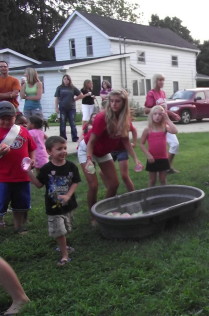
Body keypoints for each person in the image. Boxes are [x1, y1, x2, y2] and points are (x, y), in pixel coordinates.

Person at [77, 90, 142, 217]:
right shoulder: (102, 117)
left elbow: (125, 142)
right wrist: (89, 159)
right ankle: (93, 216)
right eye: (111, 101)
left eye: (117, 101)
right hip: (87, 149)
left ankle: (103, 210)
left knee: (114, 184)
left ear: (124, 103)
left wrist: (135, 159)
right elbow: (91, 141)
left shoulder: (125, 119)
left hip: (103, 152)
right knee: (94, 185)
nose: (114, 104)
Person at [26, 136, 81, 266]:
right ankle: (64, 256)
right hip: (53, 207)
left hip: (68, 205)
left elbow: (75, 182)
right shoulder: (46, 169)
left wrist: (68, 195)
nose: (64, 151)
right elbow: (39, 185)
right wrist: (29, 172)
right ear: (49, 151)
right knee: (59, 232)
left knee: (66, 229)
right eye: (59, 149)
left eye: (65, 148)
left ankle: (63, 246)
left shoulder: (71, 166)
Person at [0, 101, 36, 233]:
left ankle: (18, 226)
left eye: (9, 119)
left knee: (20, 204)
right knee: (1, 202)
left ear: (15, 117)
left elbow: (32, 148)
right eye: (2, 119)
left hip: (22, 176)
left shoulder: (23, 131)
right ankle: (1, 221)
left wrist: (32, 159)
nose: (6, 122)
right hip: (2, 177)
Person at [144, 74, 180, 174]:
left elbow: (163, 109)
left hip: (164, 123)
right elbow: (146, 110)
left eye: (163, 80)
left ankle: (167, 167)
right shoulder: (151, 93)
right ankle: (166, 168)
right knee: (169, 145)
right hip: (156, 125)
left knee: (175, 144)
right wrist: (156, 110)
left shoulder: (163, 93)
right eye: (160, 80)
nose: (162, 82)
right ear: (155, 81)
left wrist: (173, 114)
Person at [140, 105, 178, 187]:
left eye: (160, 114)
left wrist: (167, 119)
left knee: (163, 180)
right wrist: (148, 155)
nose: (157, 116)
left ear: (163, 116)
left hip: (163, 158)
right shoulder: (147, 129)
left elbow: (175, 131)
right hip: (152, 159)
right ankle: (150, 196)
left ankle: (164, 197)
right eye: (155, 114)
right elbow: (141, 144)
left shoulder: (164, 128)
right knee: (152, 180)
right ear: (151, 115)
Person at [54, 74, 83, 142]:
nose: (66, 80)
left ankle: (75, 137)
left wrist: (74, 99)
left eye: (67, 79)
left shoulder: (72, 88)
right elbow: (57, 98)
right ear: (63, 80)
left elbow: (81, 95)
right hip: (62, 108)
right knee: (62, 123)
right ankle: (63, 138)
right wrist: (56, 107)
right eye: (64, 79)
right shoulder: (59, 88)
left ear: (69, 80)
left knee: (72, 123)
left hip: (71, 108)